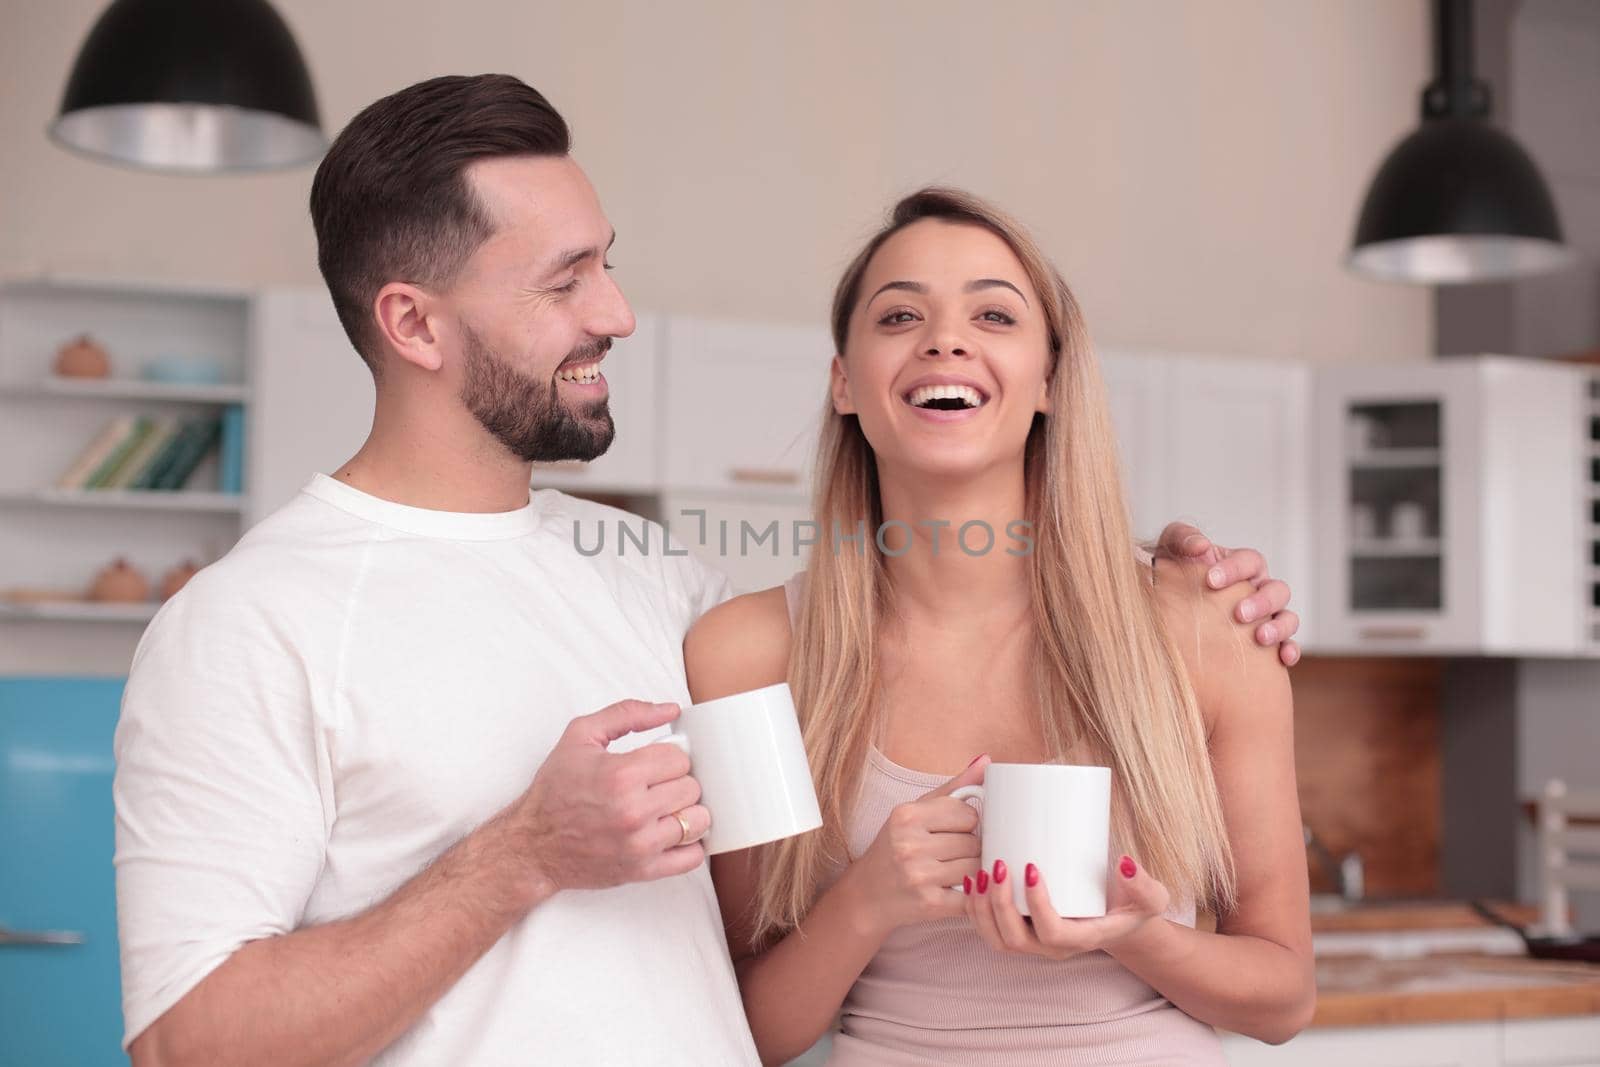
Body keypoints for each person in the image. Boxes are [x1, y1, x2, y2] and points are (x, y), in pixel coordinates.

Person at [113, 74, 1301, 1066]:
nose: (620, 314)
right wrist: (516, 857)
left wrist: (1191, 579)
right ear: (416, 326)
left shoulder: (666, 590)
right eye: (566, 279)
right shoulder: (249, 622)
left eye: (607, 266)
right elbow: (185, 1040)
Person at [685, 188, 1314, 1066]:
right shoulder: (748, 656)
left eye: (994, 313)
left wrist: (1130, 935)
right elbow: (747, 1031)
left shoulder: (1204, 631)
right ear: (844, 383)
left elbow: (1283, 995)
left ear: (1050, 379)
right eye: (900, 314)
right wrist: (866, 901)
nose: (946, 339)